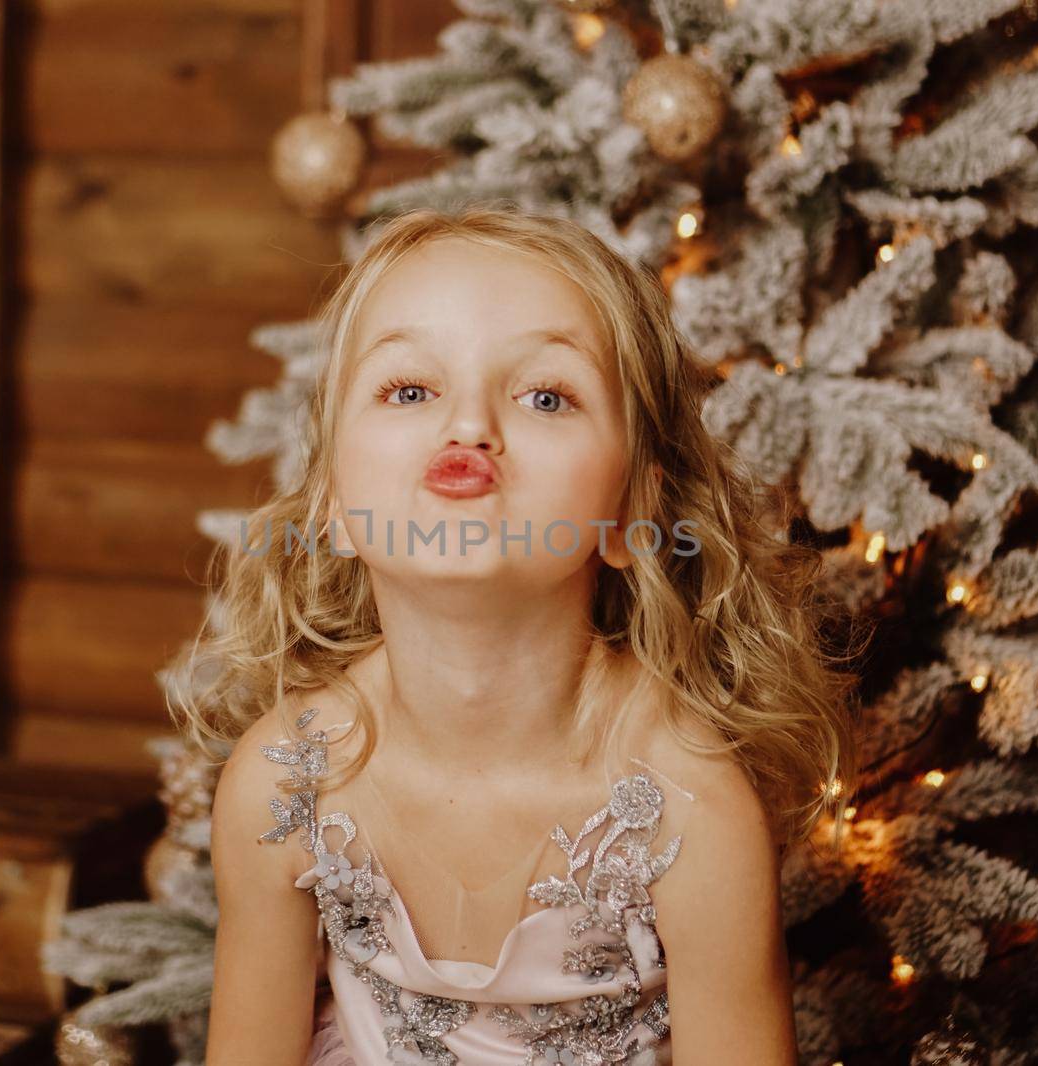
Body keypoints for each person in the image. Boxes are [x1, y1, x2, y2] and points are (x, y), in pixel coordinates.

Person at [172, 205, 859, 1065]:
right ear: (332, 509)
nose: (468, 429)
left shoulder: (691, 809)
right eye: (411, 390)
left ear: (631, 514)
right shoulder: (284, 783)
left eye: (545, 396)